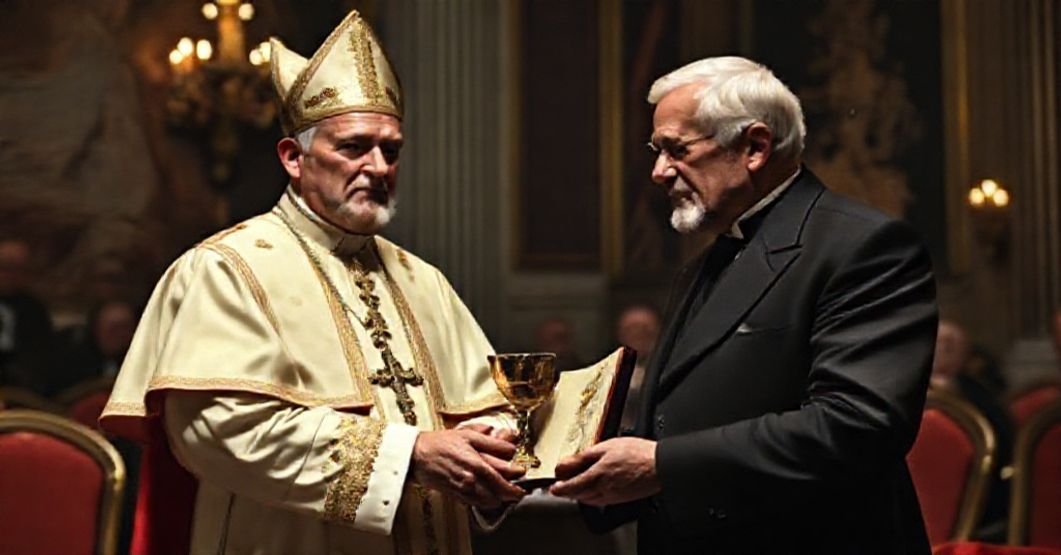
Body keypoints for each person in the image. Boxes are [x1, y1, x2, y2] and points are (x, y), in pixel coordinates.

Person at [101, 11, 524, 555]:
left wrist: (491, 451)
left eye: (391, 150)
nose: (377, 166)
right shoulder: (227, 268)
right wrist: (409, 454)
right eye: (353, 147)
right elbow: (220, 432)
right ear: (293, 158)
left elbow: (485, 407)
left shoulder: (425, 280)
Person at [549, 56, 938, 553]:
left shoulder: (864, 246)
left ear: (754, 147)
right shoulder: (703, 263)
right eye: (656, 150)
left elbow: (857, 425)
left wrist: (662, 465)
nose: (658, 172)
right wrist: (570, 456)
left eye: (676, 150)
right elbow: (679, 420)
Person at [0, 238, 54, 395]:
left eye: (17, 269)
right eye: (5, 267)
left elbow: (40, 353)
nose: (9, 275)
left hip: (19, 386)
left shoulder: (34, 310)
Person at [615, 304, 662, 432]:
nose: (637, 335)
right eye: (631, 330)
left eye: (644, 330)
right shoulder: (610, 370)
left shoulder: (666, 366)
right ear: (621, 334)